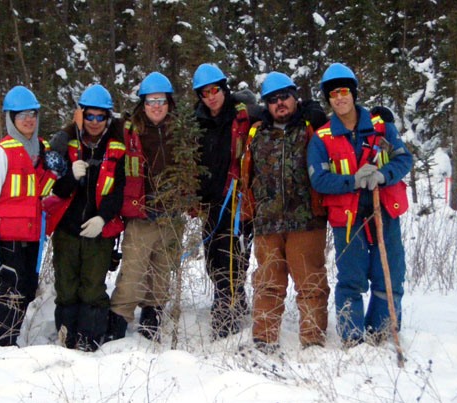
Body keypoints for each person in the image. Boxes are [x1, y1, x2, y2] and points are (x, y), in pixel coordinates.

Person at [307, 63, 412, 347]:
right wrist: (353, 181)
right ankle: (352, 337)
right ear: (328, 99)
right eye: (332, 94)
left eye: (343, 91)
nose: (339, 98)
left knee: (389, 272)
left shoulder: (381, 126)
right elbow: (320, 180)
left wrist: (383, 175)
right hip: (348, 218)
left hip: (384, 211)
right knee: (351, 278)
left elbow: (404, 160)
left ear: (353, 93)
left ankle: (382, 330)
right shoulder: (323, 137)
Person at [240, 72, 330, 353]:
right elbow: (245, 171)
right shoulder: (256, 132)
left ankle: (313, 338)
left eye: (284, 97)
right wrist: (247, 213)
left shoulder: (310, 126)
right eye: (272, 99)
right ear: (266, 104)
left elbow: (342, 127)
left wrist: (378, 120)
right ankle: (264, 337)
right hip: (267, 221)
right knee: (267, 282)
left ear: (295, 97)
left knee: (310, 281)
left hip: (306, 220)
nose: (280, 103)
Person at [0, 85, 66, 346]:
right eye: (21, 115)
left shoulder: (40, 150)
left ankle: (10, 337)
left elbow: (39, 193)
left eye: (32, 114)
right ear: (11, 119)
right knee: (12, 287)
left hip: (31, 234)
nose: (28, 120)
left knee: (26, 288)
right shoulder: (1, 152)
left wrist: (54, 172)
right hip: (7, 235)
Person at [105, 72, 184, 343]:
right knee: (133, 273)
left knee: (162, 274)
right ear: (143, 104)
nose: (157, 106)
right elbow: (92, 126)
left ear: (169, 103)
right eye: (151, 101)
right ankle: (117, 321)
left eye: (161, 100)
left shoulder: (181, 130)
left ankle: (152, 320)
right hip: (140, 216)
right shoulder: (127, 129)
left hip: (171, 216)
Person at [47, 84, 126, 352]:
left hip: (99, 233)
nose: (94, 122)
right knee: (66, 289)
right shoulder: (65, 144)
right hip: (67, 230)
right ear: (82, 116)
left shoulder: (117, 148)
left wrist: (103, 219)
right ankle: (66, 340)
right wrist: (71, 176)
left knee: (92, 290)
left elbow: (118, 192)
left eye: (100, 117)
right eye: (89, 116)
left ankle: (90, 340)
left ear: (108, 118)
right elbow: (55, 189)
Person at [192, 63, 253, 340]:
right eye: (205, 93)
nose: (211, 96)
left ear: (224, 89)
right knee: (212, 259)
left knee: (233, 258)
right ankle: (232, 301)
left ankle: (227, 312)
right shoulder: (196, 122)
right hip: (209, 202)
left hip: (238, 200)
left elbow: (284, 114)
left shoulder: (244, 115)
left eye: (215, 90)